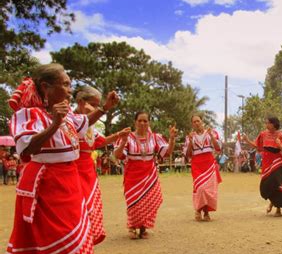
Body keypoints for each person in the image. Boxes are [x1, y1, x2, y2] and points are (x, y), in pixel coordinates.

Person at [0, 63, 119, 254]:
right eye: (64, 84)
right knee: (48, 238)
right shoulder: (28, 115)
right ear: (46, 87)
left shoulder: (64, 115)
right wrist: (54, 123)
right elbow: (26, 149)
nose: (69, 89)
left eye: (69, 83)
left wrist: (105, 109)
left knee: (73, 235)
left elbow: (84, 122)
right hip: (45, 185)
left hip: (67, 182)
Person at [74, 86, 130, 245]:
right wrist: (104, 108)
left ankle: (85, 244)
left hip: (88, 172)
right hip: (72, 170)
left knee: (91, 207)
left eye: (97, 105)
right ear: (80, 102)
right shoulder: (69, 119)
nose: (95, 108)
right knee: (77, 209)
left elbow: (102, 141)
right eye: (93, 104)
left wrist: (119, 135)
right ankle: (77, 245)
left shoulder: (90, 126)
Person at [114, 111, 176, 239]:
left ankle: (143, 228)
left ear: (149, 123)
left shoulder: (155, 137)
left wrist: (172, 139)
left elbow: (167, 152)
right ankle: (132, 227)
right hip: (133, 174)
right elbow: (118, 155)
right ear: (135, 122)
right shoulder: (127, 137)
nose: (142, 123)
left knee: (151, 200)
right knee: (134, 202)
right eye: (139, 121)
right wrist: (123, 141)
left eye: (145, 121)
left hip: (149, 174)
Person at [242, 117, 282, 217]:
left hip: (278, 162)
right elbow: (257, 146)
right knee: (267, 185)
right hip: (267, 163)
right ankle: (272, 202)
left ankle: (278, 209)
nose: (266, 125)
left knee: (277, 184)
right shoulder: (263, 134)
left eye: (268, 123)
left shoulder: (281, 136)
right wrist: (246, 140)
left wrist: (280, 145)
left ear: (274, 124)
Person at [184, 115, 222, 222]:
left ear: (202, 122)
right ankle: (198, 209)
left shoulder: (211, 133)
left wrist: (211, 136)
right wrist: (191, 142)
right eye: (194, 122)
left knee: (209, 189)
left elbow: (218, 148)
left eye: (198, 121)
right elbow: (188, 154)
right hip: (197, 164)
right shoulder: (190, 137)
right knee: (200, 188)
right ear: (192, 124)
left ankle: (206, 212)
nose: (197, 123)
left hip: (209, 164)